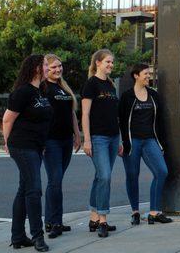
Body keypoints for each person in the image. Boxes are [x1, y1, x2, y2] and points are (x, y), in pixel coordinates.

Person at [2, 54, 52, 252]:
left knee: (24, 189)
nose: (48, 68)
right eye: (46, 65)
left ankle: (18, 237)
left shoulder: (40, 91)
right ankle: (38, 236)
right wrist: (7, 142)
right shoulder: (22, 92)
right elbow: (7, 120)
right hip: (22, 145)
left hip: (36, 146)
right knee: (34, 189)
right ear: (36, 68)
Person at [119, 63, 172, 225]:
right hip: (132, 142)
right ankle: (135, 211)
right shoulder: (127, 96)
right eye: (146, 74)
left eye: (149, 74)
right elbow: (120, 120)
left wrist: (161, 143)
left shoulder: (153, 95)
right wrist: (121, 141)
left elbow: (160, 121)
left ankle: (154, 212)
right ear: (136, 75)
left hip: (150, 140)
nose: (148, 76)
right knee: (132, 176)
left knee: (162, 171)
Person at [81, 49, 122, 238]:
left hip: (113, 138)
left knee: (100, 176)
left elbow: (114, 115)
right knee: (105, 176)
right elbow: (85, 114)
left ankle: (93, 217)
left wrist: (119, 138)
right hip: (98, 138)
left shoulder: (111, 85)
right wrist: (87, 139)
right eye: (108, 62)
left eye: (112, 62)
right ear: (98, 62)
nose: (111, 65)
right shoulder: (91, 85)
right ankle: (103, 220)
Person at [42, 54, 82, 239]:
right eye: (53, 67)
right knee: (55, 181)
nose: (57, 70)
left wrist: (77, 134)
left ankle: (51, 220)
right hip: (50, 141)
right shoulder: (43, 88)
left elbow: (71, 113)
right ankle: (55, 222)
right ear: (45, 69)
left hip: (66, 140)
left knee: (55, 182)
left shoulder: (63, 87)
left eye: (59, 66)